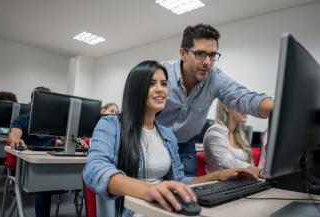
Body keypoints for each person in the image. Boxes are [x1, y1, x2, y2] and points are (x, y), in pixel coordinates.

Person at [83, 60, 256, 217]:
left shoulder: (167, 135)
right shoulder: (111, 125)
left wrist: (216, 176)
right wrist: (150, 190)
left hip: (163, 209)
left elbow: (178, 181)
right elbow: (94, 169)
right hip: (131, 211)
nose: (160, 89)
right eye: (152, 84)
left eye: (164, 84)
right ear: (136, 90)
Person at [156, 23, 274, 176]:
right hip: (154, 141)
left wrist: (279, 107)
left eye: (212, 55)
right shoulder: (161, 73)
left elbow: (244, 97)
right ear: (183, 53)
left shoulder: (215, 77)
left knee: (187, 194)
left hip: (184, 145)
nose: (207, 62)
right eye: (199, 54)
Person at [9, 86, 56, 217]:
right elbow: (14, 134)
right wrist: (17, 140)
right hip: (27, 169)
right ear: (32, 103)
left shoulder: (53, 124)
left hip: (49, 165)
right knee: (44, 185)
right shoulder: (22, 120)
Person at [203, 100, 265, 178]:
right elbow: (227, 161)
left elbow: (250, 163)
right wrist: (257, 171)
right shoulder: (215, 131)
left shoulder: (240, 135)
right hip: (219, 185)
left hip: (241, 183)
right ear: (227, 107)